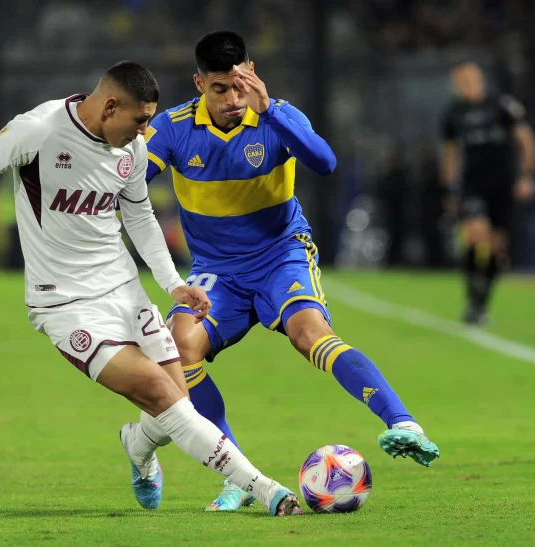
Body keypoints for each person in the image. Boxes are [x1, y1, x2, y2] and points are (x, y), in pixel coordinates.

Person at [0, 61, 303, 517]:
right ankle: (266, 489)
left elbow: (140, 217)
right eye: (139, 120)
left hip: (124, 290)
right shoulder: (39, 130)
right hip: (65, 303)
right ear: (109, 106)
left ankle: (137, 444)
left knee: (175, 405)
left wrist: (173, 284)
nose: (145, 132)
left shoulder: (131, 148)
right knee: (161, 393)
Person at [145, 31, 440, 511]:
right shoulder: (174, 127)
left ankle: (404, 423)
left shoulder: (277, 115)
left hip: (280, 254)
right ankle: (237, 476)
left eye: (240, 85)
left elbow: (325, 163)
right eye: (220, 89)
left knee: (309, 334)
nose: (233, 99)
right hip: (217, 270)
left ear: (252, 73)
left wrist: (270, 112)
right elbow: (128, 182)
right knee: (181, 348)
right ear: (199, 84)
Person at [441, 62, 535, 325]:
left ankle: (480, 303)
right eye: (461, 81)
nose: (467, 85)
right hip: (473, 185)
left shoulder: (502, 106)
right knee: (474, 234)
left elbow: (525, 141)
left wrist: (525, 177)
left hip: (503, 184)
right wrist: (449, 188)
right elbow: (450, 153)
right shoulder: (454, 113)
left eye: (471, 79)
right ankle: (472, 299)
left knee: (497, 248)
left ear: (480, 79)